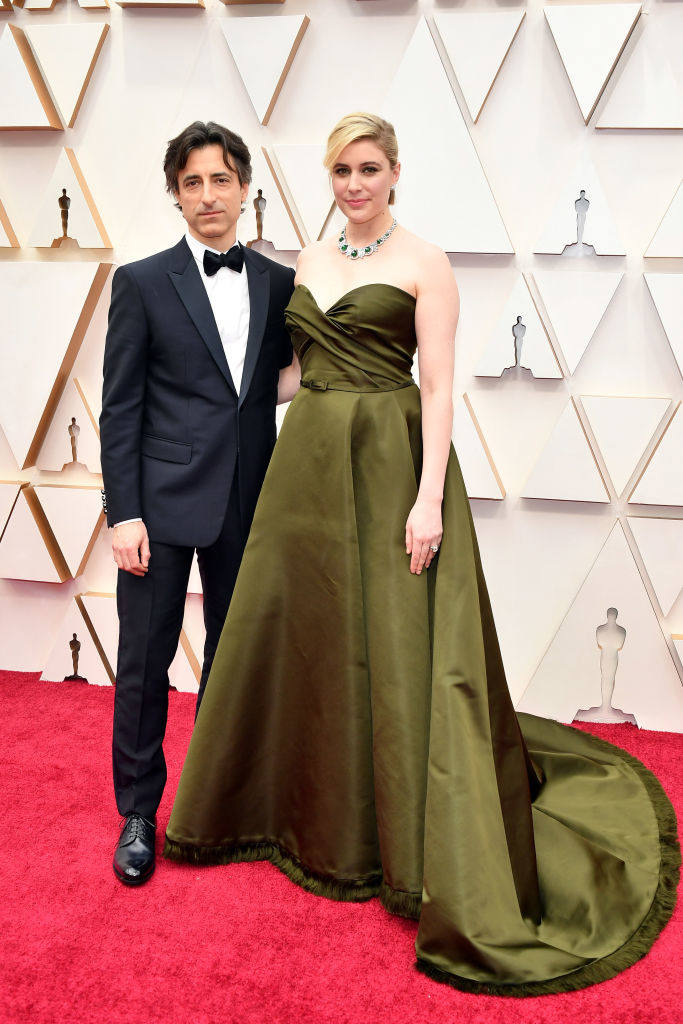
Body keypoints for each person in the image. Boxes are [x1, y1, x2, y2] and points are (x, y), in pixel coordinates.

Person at [164, 113, 679, 995]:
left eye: (368, 169)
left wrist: (427, 497)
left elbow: (435, 386)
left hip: (390, 461)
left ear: (395, 172)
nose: (354, 184)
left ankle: (396, 841)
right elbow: (296, 372)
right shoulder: (307, 262)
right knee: (313, 642)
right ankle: (293, 819)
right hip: (307, 472)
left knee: (396, 649)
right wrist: (208, 398)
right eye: (340, 170)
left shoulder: (425, 263)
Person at [100, 121, 295, 887]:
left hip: (248, 498)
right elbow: (121, 408)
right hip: (158, 504)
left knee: (234, 658)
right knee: (144, 663)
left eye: (220, 180)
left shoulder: (278, 283)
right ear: (175, 195)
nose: (207, 195)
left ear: (244, 189)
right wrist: (124, 513)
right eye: (192, 183)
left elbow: (274, 384)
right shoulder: (142, 282)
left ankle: (214, 802)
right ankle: (138, 812)